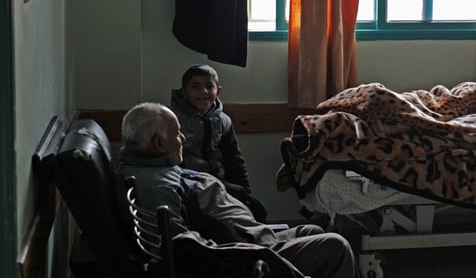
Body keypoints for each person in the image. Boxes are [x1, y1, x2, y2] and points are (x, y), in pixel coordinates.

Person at [116, 102, 356, 278]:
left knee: (311, 229)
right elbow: (186, 253)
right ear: (159, 143)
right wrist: (260, 257)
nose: (183, 138)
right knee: (336, 246)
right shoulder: (156, 186)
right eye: (177, 133)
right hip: (246, 252)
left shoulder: (153, 166)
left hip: (252, 236)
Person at [169, 64, 269, 222]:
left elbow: (234, 160)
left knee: (257, 210)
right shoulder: (172, 120)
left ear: (218, 91)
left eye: (209, 86)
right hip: (191, 185)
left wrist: (244, 193)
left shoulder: (223, 121)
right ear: (184, 92)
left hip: (222, 183)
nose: (203, 92)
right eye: (196, 87)